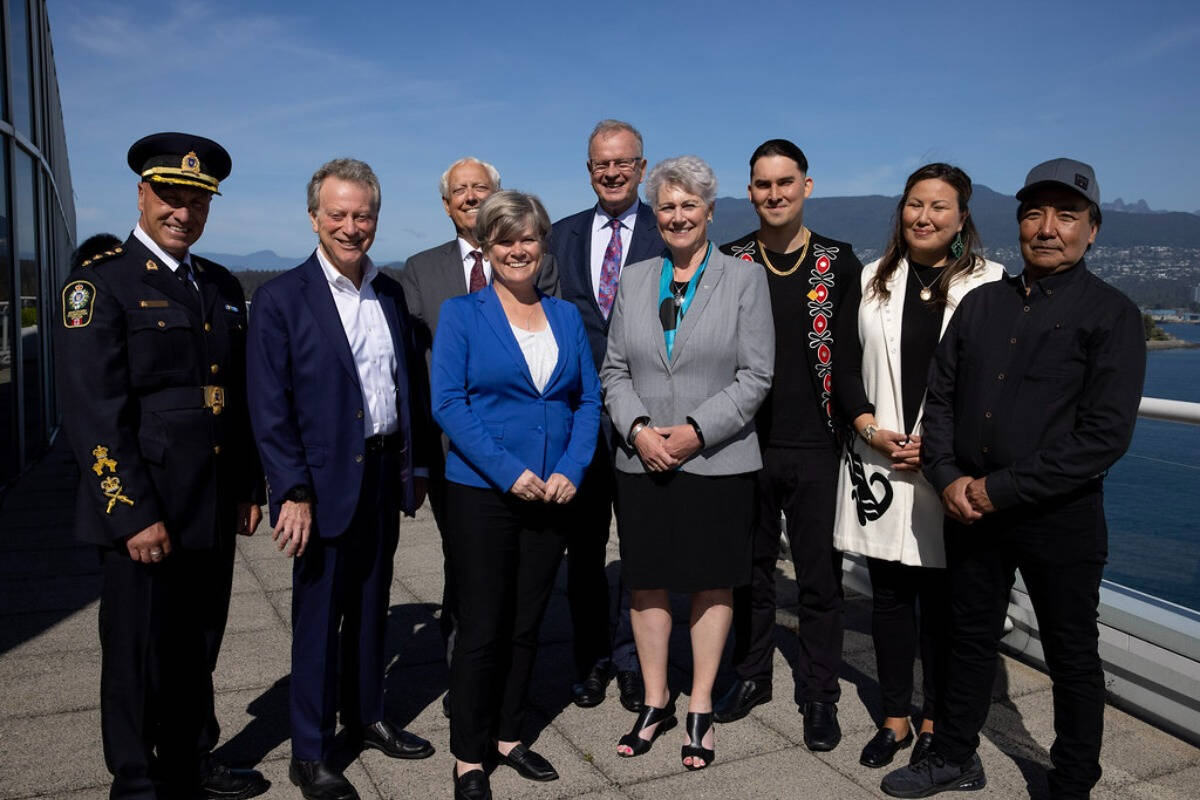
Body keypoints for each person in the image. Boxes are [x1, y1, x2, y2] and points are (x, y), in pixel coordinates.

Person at [881, 158, 1146, 799]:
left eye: (1066, 215)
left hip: (1060, 518)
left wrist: (992, 489)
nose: (1047, 228)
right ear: (1019, 223)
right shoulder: (980, 304)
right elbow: (939, 403)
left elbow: (1102, 439)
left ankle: (1074, 778)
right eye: (1034, 214)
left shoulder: (1112, 315)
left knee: (1072, 654)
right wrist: (946, 477)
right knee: (968, 639)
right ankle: (954, 756)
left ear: (1092, 230)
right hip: (970, 507)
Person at [55, 132, 268, 800]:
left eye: (197, 200)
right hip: (145, 506)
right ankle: (136, 778)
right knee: (136, 651)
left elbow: (233, 400)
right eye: (171, 196)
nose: (183, 211)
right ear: (142, 194)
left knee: (197, 642)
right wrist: (130, 513)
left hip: (207, 499)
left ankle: (187, 757)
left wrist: (246, 484)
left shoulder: (218, 285)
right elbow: (94, 412)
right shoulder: (101, 285)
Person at [247, 158, 435, 800]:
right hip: (321, 484)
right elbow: (269, 407)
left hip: (383, 472)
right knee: (318, 617)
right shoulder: (280, 298)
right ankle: (309, 749)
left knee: (373, 606)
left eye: (363, 215)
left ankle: (367, 715)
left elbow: (402, 385)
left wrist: (414, 466)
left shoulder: (389, 292)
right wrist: (291, 491)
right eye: (339, 215)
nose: (351, 227)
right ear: (313, 218)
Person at [601, 156, 774, 770]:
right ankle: (655, 699)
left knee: (710, 580)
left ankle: (699, 701)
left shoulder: (744, 279)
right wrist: (641, 430)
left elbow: (757, 376)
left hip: (718, 460)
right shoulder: (637, 277)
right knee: (645, 580)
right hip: (642, 460)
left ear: (709, 211)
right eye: (667, 206)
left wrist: (697, 432)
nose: (677, 216)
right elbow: (614, 370)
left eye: (688, 205)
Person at [832, 164, 1003, 770]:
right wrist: (870, 430)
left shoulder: (990, 283)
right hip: (878, 461)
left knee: (945, 599)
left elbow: (992, 384)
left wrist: (936, 443)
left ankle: (937, 721)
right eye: (913, 205)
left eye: (938, 206)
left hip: (949, 466)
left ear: (962, 218)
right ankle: (895, 718)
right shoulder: (872, 277)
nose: (922, 217)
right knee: (889, 597)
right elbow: (845, 368)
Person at [431, 191, 601, 800]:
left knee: (528, 621)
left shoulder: (564, 318)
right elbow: (448, 403)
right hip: (484, 493)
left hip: (553, 493)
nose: (517, 250)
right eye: (504, 239)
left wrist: (574, 467)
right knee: (482, 625)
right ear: (485, 246)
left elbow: (587, 400)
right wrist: (507, 471)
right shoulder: (462, 314)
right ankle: (468, 755)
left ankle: (508, 734)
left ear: (542, 244)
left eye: (527, 238)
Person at [715, 139, 863, 750]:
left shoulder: (838, 261)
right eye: (762, 184)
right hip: (744, 441)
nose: (773, 194)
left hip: (816, 445)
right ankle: (752, 675)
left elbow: (856, 360)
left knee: (819, 579)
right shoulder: (728, 261)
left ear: (806, 185)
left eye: (784, 182)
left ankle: (819, 693)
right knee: (747, 572)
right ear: (749, 191)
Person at [399, 158, 558, 716]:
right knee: (464, 568)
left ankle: (502, 691)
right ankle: (464, 677)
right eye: (459, 191)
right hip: (454, 451)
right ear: (446, 206)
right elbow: (411, 360)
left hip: (528, 454)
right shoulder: (419, 270)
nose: (469, 197)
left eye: (480, 189)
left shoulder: (536, 264)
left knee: (516, 580)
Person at [550, 119, 663, 712]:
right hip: (580, 424)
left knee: (643, 551)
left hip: (648, 420)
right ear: (588, 169)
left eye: (624, 163)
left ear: (642, 168)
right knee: (586, 554)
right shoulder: (561, 236)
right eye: (601, 164)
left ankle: (631, 661)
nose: (613, 173)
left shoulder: (665, 232)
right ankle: (591, 659)